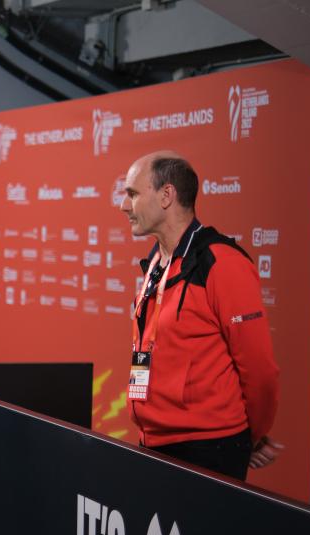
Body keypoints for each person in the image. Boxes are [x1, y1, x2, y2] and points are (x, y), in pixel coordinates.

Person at [120, 151, 281, 480]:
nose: (124, 205)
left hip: (207, 450)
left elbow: (259, 369)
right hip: (154, 441)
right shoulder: (157, 263)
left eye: (133, 194)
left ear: (167, 195)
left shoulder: (221, 262)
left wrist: (250, 436)